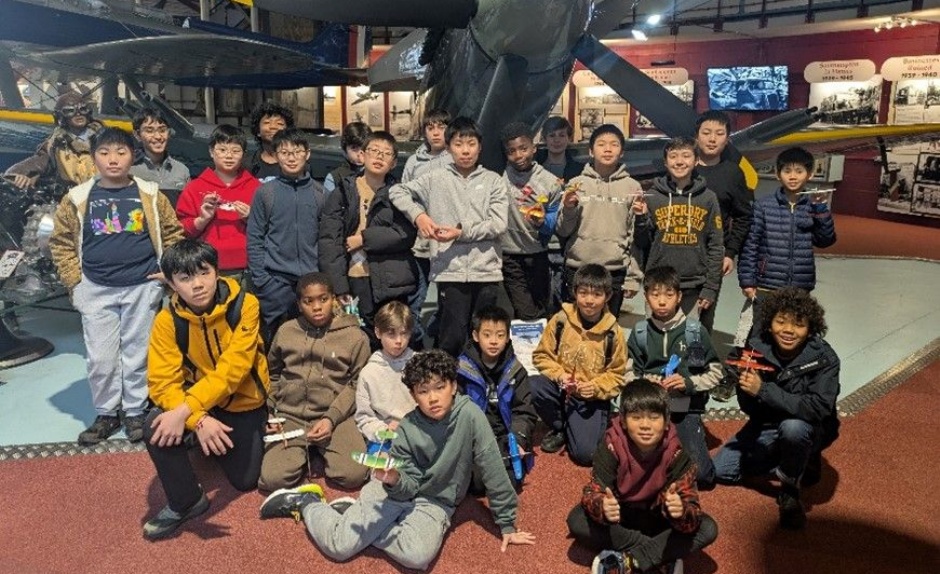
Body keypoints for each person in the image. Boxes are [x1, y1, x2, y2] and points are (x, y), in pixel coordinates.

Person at [259, 349, 536, 571]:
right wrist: (392, 479)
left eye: (439, 387)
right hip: (395, 491)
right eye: (423, 391)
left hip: (436, 501)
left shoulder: (471, 416)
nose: (433, 398)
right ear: (413, 394)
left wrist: (507, 523)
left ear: (453, 386)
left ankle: (350, 514)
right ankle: (309, 503)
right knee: (339, 546)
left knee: (418, 557)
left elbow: (492, 467)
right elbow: (408, 485)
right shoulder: (407, 428)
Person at [48, 127, 184, 445]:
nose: (113, 160)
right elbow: (61, 241)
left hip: (142, 285)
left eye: (121, 152)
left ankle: (135, 411)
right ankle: (107, 412)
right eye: (105, 153)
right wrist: (75, 282)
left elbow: (172, 231)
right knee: (101, 357)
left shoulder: (150, 193)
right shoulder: (78, 198)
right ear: (94, 157)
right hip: (95, 286)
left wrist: (167, 272)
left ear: (132, 155)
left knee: (138, 353)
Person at [142, 239, 269, 540]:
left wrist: (187, 413)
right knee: (154, 427)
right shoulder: (166, 321)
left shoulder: (245, 305)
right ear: (171, 283)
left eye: (204, 273)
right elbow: (162, 383)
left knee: (246, 480)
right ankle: (186, 501)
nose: (197, 285)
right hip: (198, 403)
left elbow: (233, 370)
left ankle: (204, 440)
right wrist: (198, 418)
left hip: (242, 401)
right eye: (185, 278)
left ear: (216, 271)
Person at [712, 287, 840, 529]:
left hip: (809, 425)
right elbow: (752, 410)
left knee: (793, 429)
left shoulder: (825, 358)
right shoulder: (756, 348)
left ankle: (790, 488)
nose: (789, 330)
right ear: (769, 324)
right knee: (720, 471)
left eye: (798, 324)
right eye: (780, 322)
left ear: (811, 327)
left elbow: (819, 407)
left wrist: (764, 390)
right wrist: (745, 387)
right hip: (766, 423)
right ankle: (795, 458)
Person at [567, 380, 718, 573]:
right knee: (577, 519)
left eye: (654, 417)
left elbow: (692, 509)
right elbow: (592, 491)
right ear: (622, 420)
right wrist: (603, 506)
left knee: (708, 528)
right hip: (621, 517)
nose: (645, 425)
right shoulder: (610, 446)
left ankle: (628, 558)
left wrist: (681, 511)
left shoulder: (677, 454)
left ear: (666, 422)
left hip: (659, 518)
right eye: (636, 417)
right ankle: (661, 555)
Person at [389, 116, 509, 357]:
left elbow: (498, 224)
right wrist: (419, 216)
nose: (465, 150)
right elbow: (397, 190)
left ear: (480, 146)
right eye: (458, 144)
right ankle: (449, 385)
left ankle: (479, 387)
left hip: (486, 271)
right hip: (450, 270)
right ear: (448, 147)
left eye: (471, 143)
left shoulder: (493, 181)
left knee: (484, 336)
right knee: (452, 335)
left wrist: (461, 232)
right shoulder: (435, 178)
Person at [258, 272, 371, 492]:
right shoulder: (286, 331)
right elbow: (272, 373)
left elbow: (358, 383)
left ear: (334, 299)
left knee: (353, 475)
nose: (317, 307)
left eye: (323, 299)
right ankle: (300, 453)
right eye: (308, 302)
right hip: (290, 416)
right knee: (272, 480)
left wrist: (331, 418)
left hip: (335, 416)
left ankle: (323, 449)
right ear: (299, 305)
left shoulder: (355, 336)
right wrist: (269, 410)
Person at [625, 266, 723, 488]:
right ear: (646, 296)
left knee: (702, 477)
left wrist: (688, 382)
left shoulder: (694, 333)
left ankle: (685, 441)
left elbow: (715, 372)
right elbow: (627, 372)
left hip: (683, 408)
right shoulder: (640, 332)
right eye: (655, 294)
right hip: (648, 408)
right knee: (630, 470)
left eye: (669, 295)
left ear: (679, 297)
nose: (661, 302)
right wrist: (642, 383)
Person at [319, 130, 418, 348]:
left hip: (390, 279)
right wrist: (338, 286)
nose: (379, 157)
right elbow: (329, 240)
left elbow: (405, 234)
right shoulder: (343, 193)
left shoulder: (398, 194)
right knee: (357, 337)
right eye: (374, 151)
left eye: (386, 153)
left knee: (393, 336)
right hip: (354, 277)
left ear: (393, 163)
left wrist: (364, 239)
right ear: (362, 155)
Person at [530, 264, 628, 466]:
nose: (589, 300)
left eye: (597, 294)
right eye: (583, 293)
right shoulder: (560, 321)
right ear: (574, 293)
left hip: (591, 397)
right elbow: (541, 356)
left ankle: (578, 427)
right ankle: (561, 426)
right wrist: (559, 375)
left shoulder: (613, 333)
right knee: (533, 385)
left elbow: (618, 376)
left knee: (586, 455)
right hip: (562, 389)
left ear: (607, 297)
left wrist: (595, 387)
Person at [737, 146, 837, 344]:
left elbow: (826, 240)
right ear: (777, 174)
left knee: (791, 335)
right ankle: (752, 372)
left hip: (800, 286)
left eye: (799, 171)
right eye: (787, 171)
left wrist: (821, 211)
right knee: (758, 333)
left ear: (808, 174)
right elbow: (750, 245)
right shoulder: (763, 206)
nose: (793, 177)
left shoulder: (812, 207)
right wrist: (747, 281)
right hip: (767, 286)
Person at [635, 137, 724, 332]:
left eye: (686, 155)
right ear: (665, 163)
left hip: (695, 284)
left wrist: (710, 288)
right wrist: (640, 219)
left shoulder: (708, 198)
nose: (680, 161)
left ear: (696, 160)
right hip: (658, 285)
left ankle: (694, 364)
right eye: (673, 156)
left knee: (692, 341)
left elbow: (716, 245)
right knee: (656, 338)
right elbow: (642, 242)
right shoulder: (653, 196)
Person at [246, 128, 326, 343]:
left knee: (310, 340)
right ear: (276, 155)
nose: (291, 158)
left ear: (307, 154)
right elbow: (255, 237)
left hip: (311, 280)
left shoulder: (319, 193)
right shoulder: (266, 192)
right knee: (273, 341)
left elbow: (326, 238)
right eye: (284, 152)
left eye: (297, 151)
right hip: (275, 282)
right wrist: (262, 280)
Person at [556, 124, 645, 317]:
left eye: (614, 145)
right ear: (590, 150)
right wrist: (569, 208)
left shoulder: (632, 187)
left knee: (606, 330)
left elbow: (634, 237)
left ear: (621, 152)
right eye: (601, 144)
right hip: (578, 268)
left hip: (614, 271)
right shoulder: (576, 184)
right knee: (574, 330)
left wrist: (633, 278)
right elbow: (563, 230)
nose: (607, 149)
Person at [456, 305, 537, 489]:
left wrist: (518, 439)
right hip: (474, 437)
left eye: (500, 335)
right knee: (474, 484)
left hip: (505, 437)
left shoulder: (517, 371)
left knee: (511, 481)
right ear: (476, 336)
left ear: (508, 338)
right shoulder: (461, 370)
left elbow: (524, 411)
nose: (494, 341)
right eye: (487, 335)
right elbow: (455, 411)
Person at [175, 124, 259, 283]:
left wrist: (251, 218)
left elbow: (270, 228)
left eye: (235, 151)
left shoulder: (256, 187)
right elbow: (180, 229)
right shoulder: (195, 187)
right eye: (222, 150)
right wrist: (202, 220)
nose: (229, 156)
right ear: (211, 152)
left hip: (249, 267)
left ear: (244, 154)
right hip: (207, 268)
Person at [499, 122, 562, 321]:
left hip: (539, 254)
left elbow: (554, 219)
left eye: (523, 149)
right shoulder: (498, 178)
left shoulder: (550, 181)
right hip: (510, 255)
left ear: (534, 148)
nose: (518, 156)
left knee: (542, 309)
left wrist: (543, 222)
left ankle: (537, 350)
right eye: (511, 151)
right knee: (525, 312)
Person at [401, 108, 452, 345]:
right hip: (420, 243)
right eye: (430, 128)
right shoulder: (413, 161)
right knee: (416, 298)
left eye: (441, 127)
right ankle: (415, 345)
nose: (436, 133)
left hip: (449, 245)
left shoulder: (456, 158)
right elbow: (404, 194)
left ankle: (442, 345)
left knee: (449, 302)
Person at [693, 110, 753, 279]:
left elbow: (744, 216)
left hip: (714, 255)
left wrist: (730, 253)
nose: (712, 139)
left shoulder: (733, 173)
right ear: (696, 137)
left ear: (727, 140)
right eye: (706, 133)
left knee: (706, 304)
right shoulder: (683, 169)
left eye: (719, 134)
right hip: (678, 253)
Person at [5, 91, 103, 190]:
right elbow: (35, 163)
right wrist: (17, 175)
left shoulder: (106, 137)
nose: (78, 113)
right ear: (60, 116)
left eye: (82, 109)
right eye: (70, 110)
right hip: (73, 197)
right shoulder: (55, 144)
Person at [354, 301, 416, 443]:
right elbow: (364, 418)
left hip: (418, 434)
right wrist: (383, 431)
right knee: (382, 463)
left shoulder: (420, 364)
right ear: (378, 332)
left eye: (404, 334)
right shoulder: (369, 373)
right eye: (391, 334)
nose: (399, 341)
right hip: (385, 438)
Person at [128, 107, 191, 207]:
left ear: (169, 133)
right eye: (149, 131)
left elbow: (187, 210)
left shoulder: (182, 171)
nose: (157, 136)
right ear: (137, 135)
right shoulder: (129, 170)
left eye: (162, 130)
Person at [248, 101, 294, 182]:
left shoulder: (297, 164)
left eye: (279, 123)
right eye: (267, 122)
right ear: (258, 131)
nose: (273, 127)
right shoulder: (247, 164)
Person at [323, 121, 370, 194]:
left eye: (364, 147)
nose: (359, 153)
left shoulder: (377, 174)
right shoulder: (335, 178)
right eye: (354, 148)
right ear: (345, 149)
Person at [534, 116, 585, 183]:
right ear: (544, 139)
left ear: (569, 138)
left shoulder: (580, 169)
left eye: (562, 135)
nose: (557, 140)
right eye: (552, 135)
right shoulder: (534, 166)